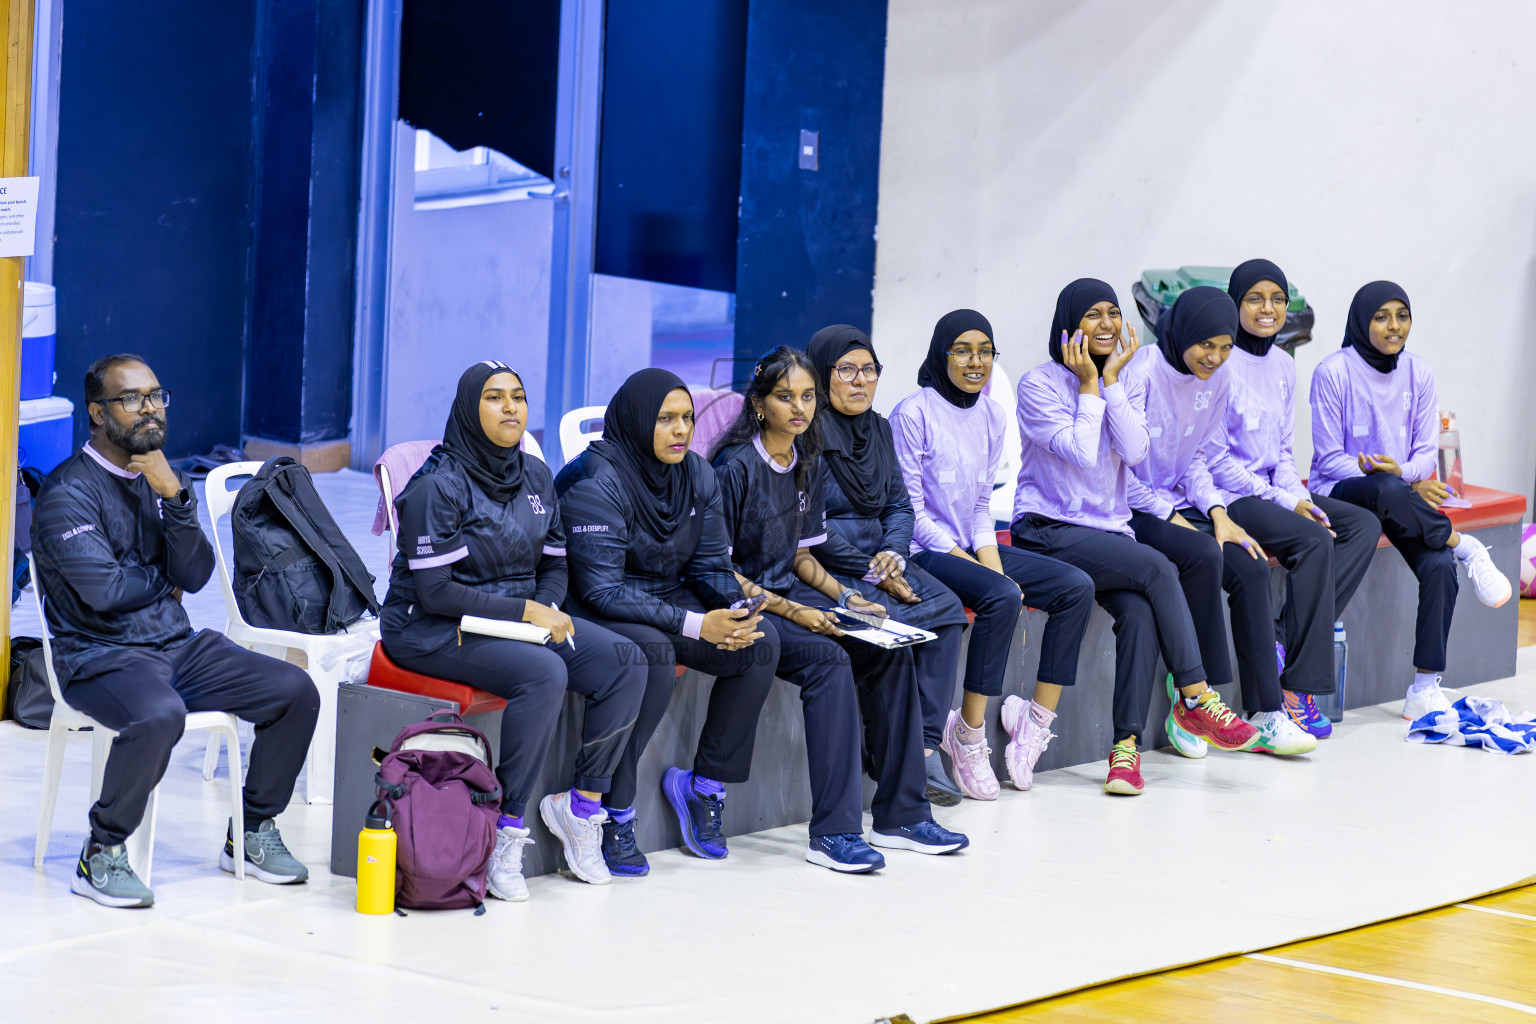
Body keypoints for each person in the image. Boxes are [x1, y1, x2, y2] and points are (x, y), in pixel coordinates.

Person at [31, 353, 319, 908]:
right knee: (160, 713)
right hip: (99, 658)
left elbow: (195, 573)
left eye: (156, 396)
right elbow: (105, 594)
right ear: (97, 412)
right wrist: (162, 580)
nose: (149, 409)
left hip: (176, 647)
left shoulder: (160, 477)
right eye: (131, 398)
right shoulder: (67, 493)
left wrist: (178, 500)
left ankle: (252, 833)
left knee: (293, 691)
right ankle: (101, 853)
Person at [380, 360, 646, 900]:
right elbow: (436, 594)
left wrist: (543, 607)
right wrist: (528, 615)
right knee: (544, 672)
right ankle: (504, 826)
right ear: (468, 409)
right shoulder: (437, 485)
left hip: (510, 621)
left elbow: (554, 563)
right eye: (495, 398)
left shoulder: (535, 475)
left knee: (626, 660)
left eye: (518, 397)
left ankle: (581, 808)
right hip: (431, 628)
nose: (510, 408)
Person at [711, 345, 969, 871]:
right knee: (830, 663)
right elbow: (722, 571)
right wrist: (796, 612)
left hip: (792, 592)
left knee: (888, 647)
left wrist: (848, 598)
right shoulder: (733, 467)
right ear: (759, 404)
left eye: (807, 397)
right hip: (743, 603)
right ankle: (833, 831)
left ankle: (902, 814)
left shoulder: (804, 459)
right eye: (786, 397)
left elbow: (803, 557)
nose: (800, 408)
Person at [1009, 280, 1259, 797]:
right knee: (1157, 567)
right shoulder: (1038, 384)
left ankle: (1125, 752)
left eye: (1113, 314)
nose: (1105, 324)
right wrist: (1087, 386)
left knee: (1141, 614)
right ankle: (1196, 693)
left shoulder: (1116, 381)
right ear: (1069, 324)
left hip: (1106, 530)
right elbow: (1080, 451)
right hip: (1048, 528)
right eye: (1092, 315)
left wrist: (1112, 383)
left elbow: (1137, 450)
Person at [555, 368, 776, 875]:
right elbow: (602, 589)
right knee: (651, 655)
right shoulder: (594, 480)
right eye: (665, 419)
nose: (681, 430)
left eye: (687, 419)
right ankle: (614, 810)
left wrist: (733, 612)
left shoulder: (698, 474)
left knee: (759, 644)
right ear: (636, 422)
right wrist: (697, 626)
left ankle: (704, 787)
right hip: (591, 602)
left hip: (663, 597)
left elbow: (708, 567)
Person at [888, 312, 1096, 800]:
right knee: (1001, 597)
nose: (975, 361)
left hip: (970, 542)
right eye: (962, 350)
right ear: (942, 354)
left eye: (985, 351)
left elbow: (982, 507)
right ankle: (968, 733)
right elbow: (911, 513)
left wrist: (992, 565)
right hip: (924, 551)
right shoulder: (912, 413)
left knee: (1075, 587)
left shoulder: (992, 415)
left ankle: (1036, 719)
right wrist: (973, 565)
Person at [1120, 287, 1316, 758]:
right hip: (1130, 510)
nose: (1216, 356)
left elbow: (1197, 460)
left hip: (1182, 504)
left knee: (1248, 564)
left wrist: (1218, 513)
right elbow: (1117, 473)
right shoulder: (1142, 371)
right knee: (1202, 553)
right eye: (1206, 344)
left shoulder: (1218, 379)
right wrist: (1170, 515)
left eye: (1226, 346)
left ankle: (1267, 712)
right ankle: (1196, 700)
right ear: (1183, 333)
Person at [1308, 282, 1511, 721]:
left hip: (1397, 493)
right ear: (1362, 322)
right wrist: (1388, 477)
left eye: (1402, 315)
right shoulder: (1332, 372)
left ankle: (1423, 686)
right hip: (1341, 491)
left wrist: (1402, 475)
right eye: (1381, 316)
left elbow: (1424, 455)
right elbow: (1328, 458)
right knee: (1384, 490)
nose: (1393, 326)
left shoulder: (1419, 372)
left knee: (1438, 567)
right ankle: (1465, 544)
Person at [1207, 259, 1381, 740]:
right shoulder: (1220, 361)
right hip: (1232, 497)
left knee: (1360, 525)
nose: (1268, 308)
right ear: (1236, 303)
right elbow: (1218, 460)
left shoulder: (1284, 364)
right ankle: (1295, 690)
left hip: (1271, 489)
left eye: (1277, 299)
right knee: (1313, 540)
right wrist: (1284, 502)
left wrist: (1296, 495)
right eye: (1255, 299)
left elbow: (1284, 452)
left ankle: (1283, 638)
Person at [803, 324, 972, 806]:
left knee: (947, 611)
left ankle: (923, 745)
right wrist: (875, 570)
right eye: (847, 370)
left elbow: (900, 505)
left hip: (883, 558)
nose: (860, 381)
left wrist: (894, 555)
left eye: (869, 370)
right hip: (829, 565)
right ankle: (887, 753)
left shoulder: (877, 428)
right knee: (887, 624)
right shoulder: (806, 433)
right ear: (821, 375)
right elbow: (810, 525)